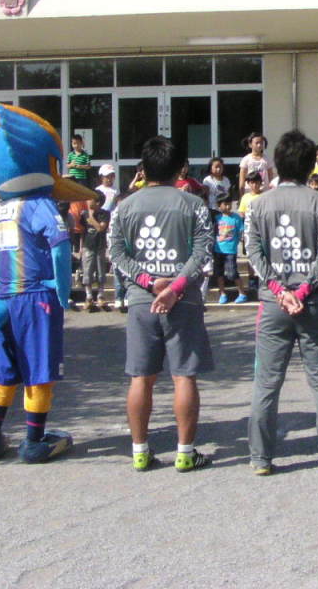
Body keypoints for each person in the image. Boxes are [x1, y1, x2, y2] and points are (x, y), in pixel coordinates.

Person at [245, 130, 318, 476]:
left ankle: (261, 459)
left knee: (266, 383)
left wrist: (279, 289)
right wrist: (302, 290)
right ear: (310, 166)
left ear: (277, 164)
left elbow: (254, 253)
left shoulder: (259, 204)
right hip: (313, 302)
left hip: (273, 304)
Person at [108, 135, 214, 473]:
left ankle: (140, 450)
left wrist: (148, 282)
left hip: (142, 301)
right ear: (180, 168)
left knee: (140, 377)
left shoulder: (125, 206)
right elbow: (203, 252)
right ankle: (185, 452)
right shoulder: (194, 204)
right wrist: (175, 286)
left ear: (143, 168)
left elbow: (116, 253)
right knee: (184, 376)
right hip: (183, 299)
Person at [212, 193, 247, 304]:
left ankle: (242, 293)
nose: (228, 206)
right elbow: (214, 232)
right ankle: (222, 293)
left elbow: (241, 231)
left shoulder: (236, 217)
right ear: (219, 206)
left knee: (232, 273)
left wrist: (241, 241)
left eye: (229, 204)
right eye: (225, 204)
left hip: (231, 250)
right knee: (219, 273)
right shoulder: (217, 218)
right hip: (218, 250)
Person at [80, 193, 111, 312]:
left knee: (100, 271)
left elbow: (100, 228)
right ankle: (88, 297)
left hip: (100, 246)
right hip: (88, 245)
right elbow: (83, 231)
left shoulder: (104, 214)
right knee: (87, 271)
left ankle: (100, 296)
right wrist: (80, 247)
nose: (88, 201)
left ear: (97, 202)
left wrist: (90, 217)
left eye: (90, 199)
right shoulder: (84, 214)